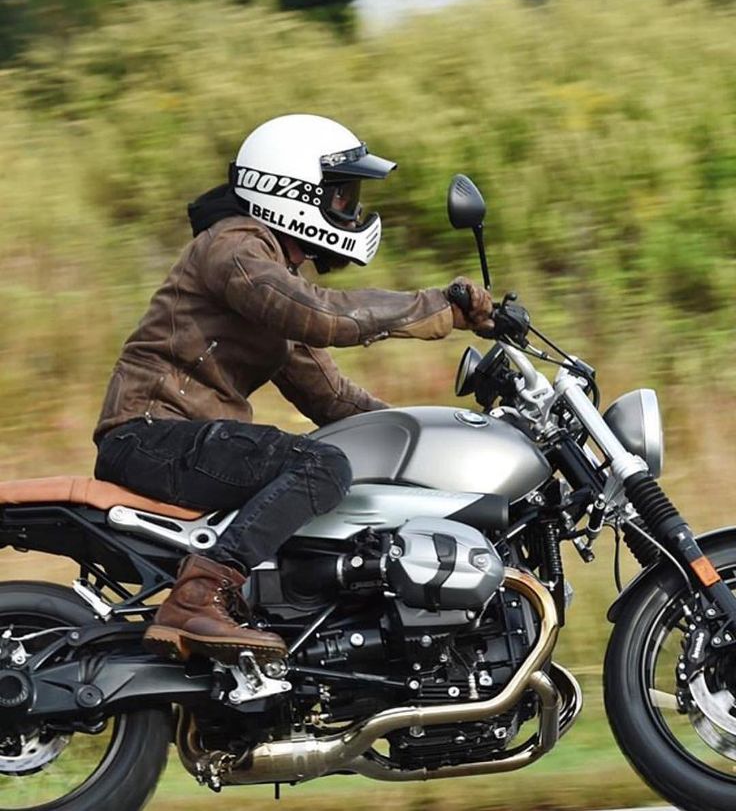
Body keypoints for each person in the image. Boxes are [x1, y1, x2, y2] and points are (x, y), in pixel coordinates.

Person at [93, 114, 493, 664]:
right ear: (291, 190)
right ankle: (198, 596)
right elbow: (322, 317)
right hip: (151, 436)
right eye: (341, 197)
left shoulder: (272, 278)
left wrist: (425, 443)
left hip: (181, 439)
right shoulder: (235, 249)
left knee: (343, 467)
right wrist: (435, 305)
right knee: (320, 466)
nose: (352, 212)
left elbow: (333, 399)